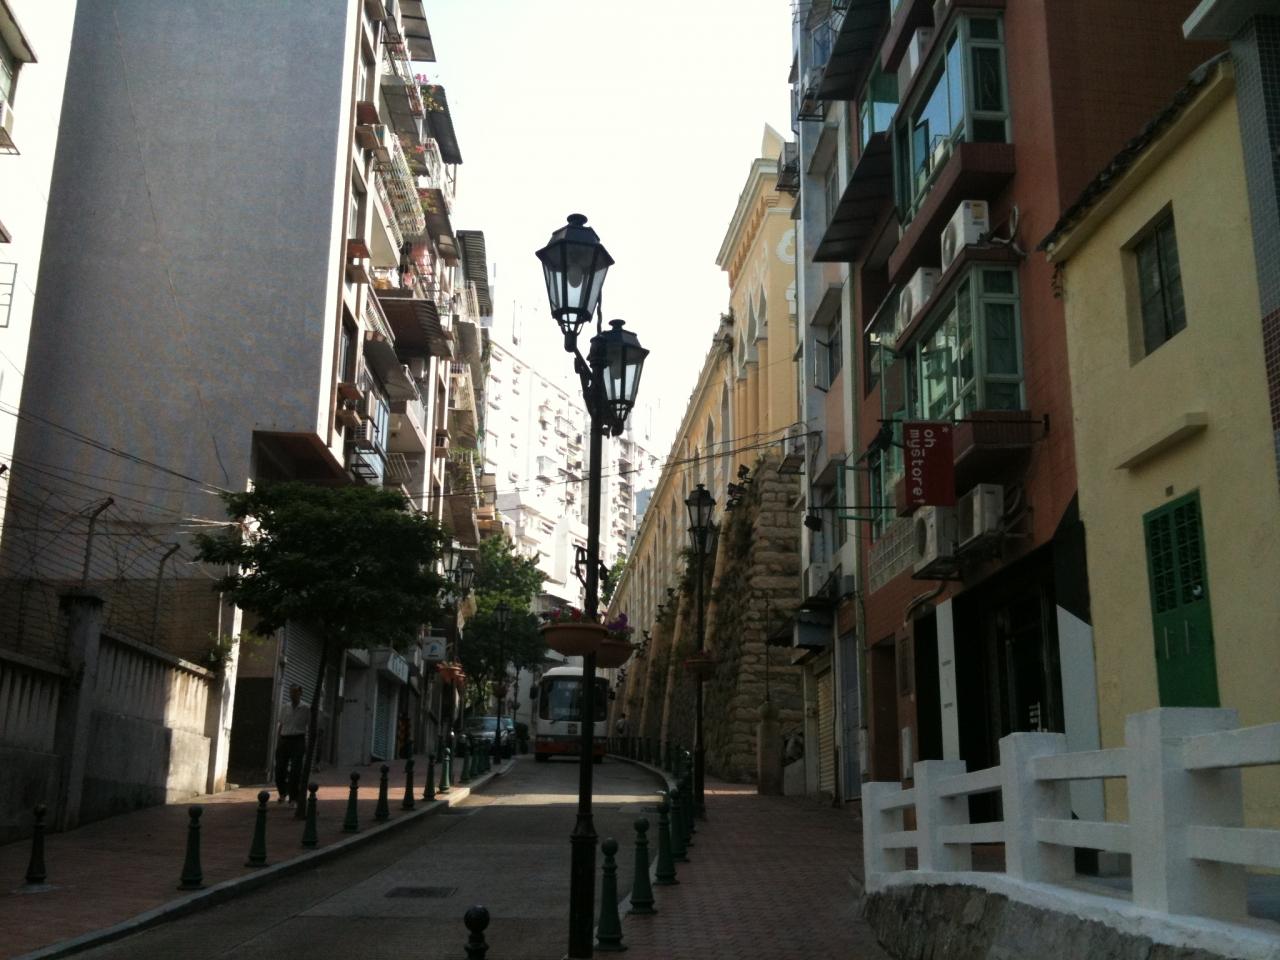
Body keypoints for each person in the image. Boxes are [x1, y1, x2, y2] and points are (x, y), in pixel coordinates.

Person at [275, 684, 309, 804]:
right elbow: (281, 724)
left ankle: (294, 797)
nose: (292, 695)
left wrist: (307, 743)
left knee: (296, 771)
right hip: (284, 739)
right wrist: (279, 740)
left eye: (295, 692)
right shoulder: (285, 707)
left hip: (298, 740)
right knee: (279, 769)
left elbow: (310, 725)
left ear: (300, 693)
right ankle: (282, 792)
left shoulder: (305, 708)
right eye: (291, 692)